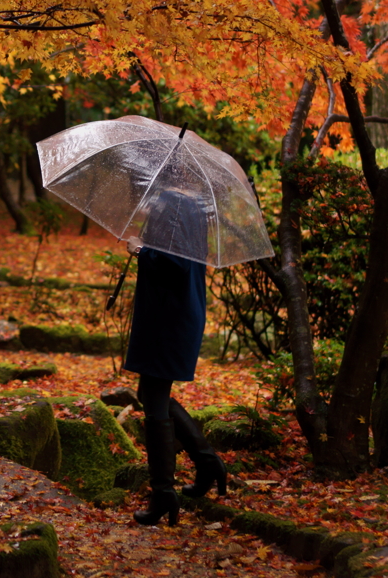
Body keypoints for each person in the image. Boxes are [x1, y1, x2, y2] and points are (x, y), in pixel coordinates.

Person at [124, 190, 227, 527]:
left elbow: (176, 266)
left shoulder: (175, 208)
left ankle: (164, 492)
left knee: (153, 398)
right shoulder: (189, 206)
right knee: (150, 394)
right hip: (173, 314)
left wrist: (139, 248)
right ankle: (206, 462)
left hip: (167, 319)